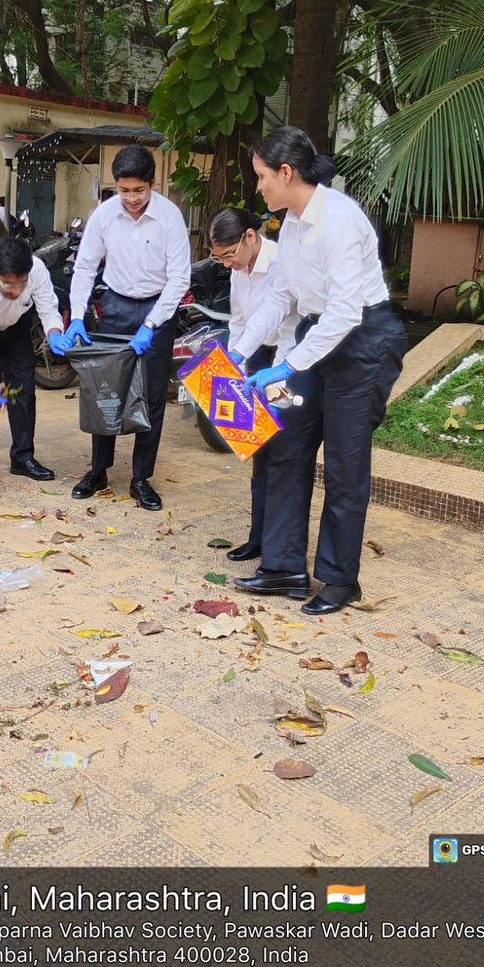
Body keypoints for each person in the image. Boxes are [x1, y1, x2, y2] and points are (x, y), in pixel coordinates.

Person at [237, 126, 407, 614]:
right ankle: (284, 566)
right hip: (318, 338)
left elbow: (345, 314)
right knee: (288, 445)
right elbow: (281, 296)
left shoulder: (337, 220)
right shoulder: (289, 221)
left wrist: (287, 365)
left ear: (286, 173)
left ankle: (338, 580)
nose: (259, 187)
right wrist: (242, 352)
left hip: (363, 342)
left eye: (262, 176)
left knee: (344, 466)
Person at [62, 144, 191, 510]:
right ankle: (99, 470)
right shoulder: (104, 216)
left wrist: (151, 324)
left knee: (150, 397)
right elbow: (86, 266)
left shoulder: (169, 217)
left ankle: (140, 478)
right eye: (124, 191)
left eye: (139, 190)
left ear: (152, 183)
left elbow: (180, 278)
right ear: (115, 186)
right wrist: (76, 317)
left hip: (158, 309)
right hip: (116, 306)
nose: (132, 199)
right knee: (106, 389)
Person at [205, 208, 312, 585]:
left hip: (285, 360)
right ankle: (257, 538)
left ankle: (277, 545)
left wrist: (275, 380)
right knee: (257, 450)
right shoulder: (238, 271)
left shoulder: (281, 261)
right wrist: (235, 367)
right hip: (253, 356)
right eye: (219, 258)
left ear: (250, 237)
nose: (227, 264)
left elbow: (289, 327)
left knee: (281, 451)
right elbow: (239, 321)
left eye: (229, 253)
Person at [0, 235, 68, 482]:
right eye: (8, 285)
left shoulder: (36, 270)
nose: (16, 291)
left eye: (21, 284)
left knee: (24, 389)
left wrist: (54, 333)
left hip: (15, 327)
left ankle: (23, 457)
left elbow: (48, 308)